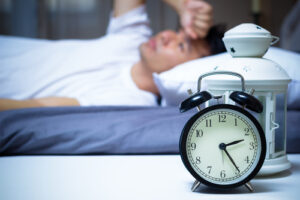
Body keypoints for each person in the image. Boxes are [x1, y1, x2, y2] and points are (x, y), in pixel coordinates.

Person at [0, 0, 225, 111]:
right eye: (177, 32)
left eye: (182, 46)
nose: (167, 35)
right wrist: (183, 6)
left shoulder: (131, 102)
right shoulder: (132, 38)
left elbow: (38, 106)